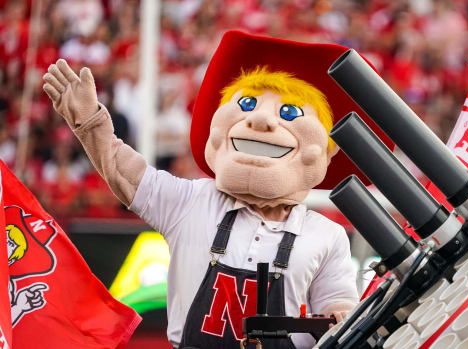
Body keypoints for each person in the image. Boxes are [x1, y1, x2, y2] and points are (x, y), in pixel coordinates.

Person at [42, 30, 390, 348]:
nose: (260, 121)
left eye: (287, 112)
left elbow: (338, 308)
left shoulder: (325, 235)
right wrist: (90, 123)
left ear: (324, 150)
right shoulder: (191, 201)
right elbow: (126, 173)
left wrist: (344, 315)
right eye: (248, 105)